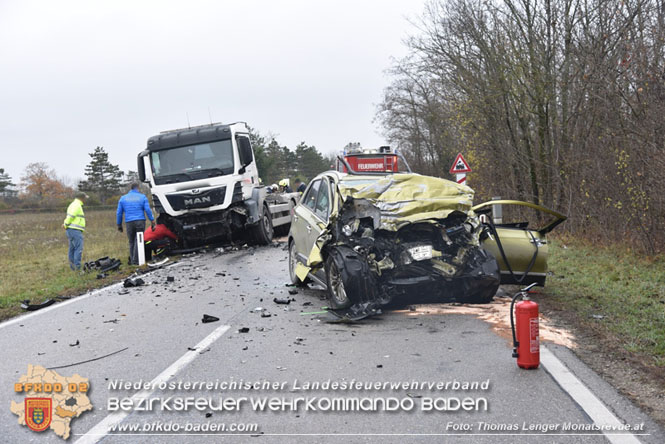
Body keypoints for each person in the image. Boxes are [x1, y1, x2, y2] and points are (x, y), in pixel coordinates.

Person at [116, 183, 155, 265]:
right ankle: (136, 261)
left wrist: (119, 224)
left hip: (129, 222)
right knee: (139, 240)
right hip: (140, 220)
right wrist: (152, 220)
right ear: (137, 188)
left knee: (131, 241)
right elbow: (147, 210)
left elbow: (119, 213)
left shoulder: (123, 198)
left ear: (131, 188)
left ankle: (133, 260)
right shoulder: (142, 197)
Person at [63, 192, 87, 271]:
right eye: (85, 198)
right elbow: (71, 216)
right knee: (78, 249)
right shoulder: (76, 205)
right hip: (75, 230)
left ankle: (73, 268)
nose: (85, 200)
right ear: (81, 198)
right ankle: (77, 268)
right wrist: (65, 224)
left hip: (71, 230)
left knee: (72, 249)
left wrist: (66, 224)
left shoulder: (73, 204)